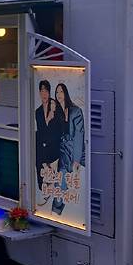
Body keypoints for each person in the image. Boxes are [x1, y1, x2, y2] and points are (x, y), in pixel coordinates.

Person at [53, 83, 85, 215]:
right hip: (60, 150)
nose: (59, 95)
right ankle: (56, 208)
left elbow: (79, 135)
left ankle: (57, 208)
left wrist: (76, 159)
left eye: (61, 92)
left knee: (63, 177)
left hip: (73, 148)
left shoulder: (75, 111)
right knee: (61, 178)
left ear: (66, 93)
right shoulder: (55, 111)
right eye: (56, 92)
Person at [35, 81, 63, 192]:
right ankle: (42, 188)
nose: (44, 93)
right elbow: (41, 130)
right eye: (42, 91)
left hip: (55, 147)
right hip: (42, 147)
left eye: (46, 91)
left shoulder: (56, 107)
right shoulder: (38, 111)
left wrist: (52, 115)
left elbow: (60, 129)